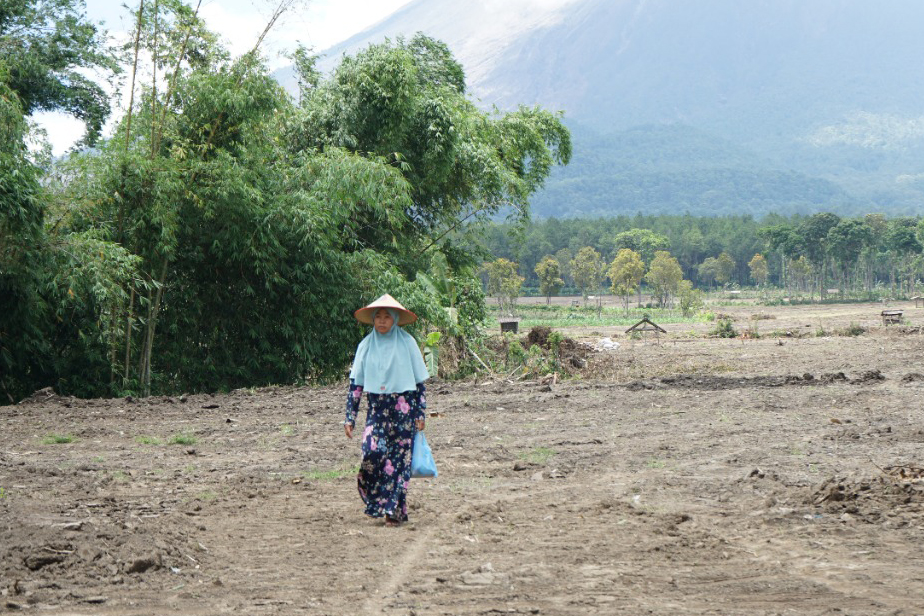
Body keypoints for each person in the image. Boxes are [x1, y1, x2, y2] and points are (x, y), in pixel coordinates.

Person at [344, 294, 429, 527]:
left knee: (398, 462)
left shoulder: (407, 343)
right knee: (372, 452)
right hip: (377, 411)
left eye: (387, 317)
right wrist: (350, 416)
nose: (382, 321)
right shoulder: (365, 346)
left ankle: (393, 511)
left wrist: (420, 413)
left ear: (394, 320)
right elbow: (356, 384)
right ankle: (377, 501)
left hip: (404, 411)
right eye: (378, 317)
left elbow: (420, 383)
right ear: (373, 320)